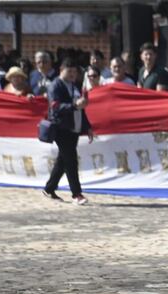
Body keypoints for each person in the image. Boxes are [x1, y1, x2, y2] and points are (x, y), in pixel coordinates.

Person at [42, 58, 94, 205]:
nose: (72, 74)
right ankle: (76, 194)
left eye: (74, 72)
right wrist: (74, 105)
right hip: (62, 128)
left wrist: (87, 126)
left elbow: (81, 109)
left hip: (74, 128)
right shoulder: (55, 85)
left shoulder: (74, 86)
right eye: (69, 71)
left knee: (63, 161)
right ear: (61, 70)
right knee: (71, 161)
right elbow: (56, 107)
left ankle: (49, 188)